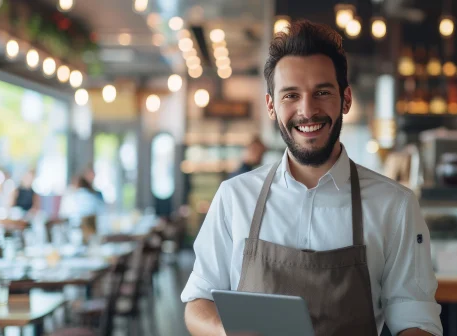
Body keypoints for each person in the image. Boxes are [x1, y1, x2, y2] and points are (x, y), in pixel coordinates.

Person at [182, 20, 442, 336]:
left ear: (345, 99)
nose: (308, 110)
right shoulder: (234, 197)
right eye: (291, 95)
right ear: (271, 106)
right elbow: (198, 303)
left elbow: (416, 318)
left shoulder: (395, 205)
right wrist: (231, 332)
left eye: (322, 92)